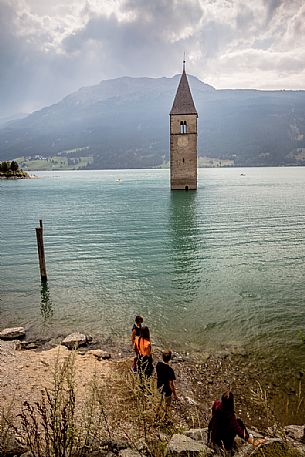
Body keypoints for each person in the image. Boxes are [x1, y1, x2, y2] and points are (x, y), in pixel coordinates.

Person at [208, 391, 253, 455]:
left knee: (234, 423)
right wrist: (247, 438)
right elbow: (237, 429)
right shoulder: (230, 416)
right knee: (239, 422)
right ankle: (248, 438)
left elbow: (213, 416)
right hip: (224, 438)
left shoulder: (216, 405)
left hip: (215, 434)